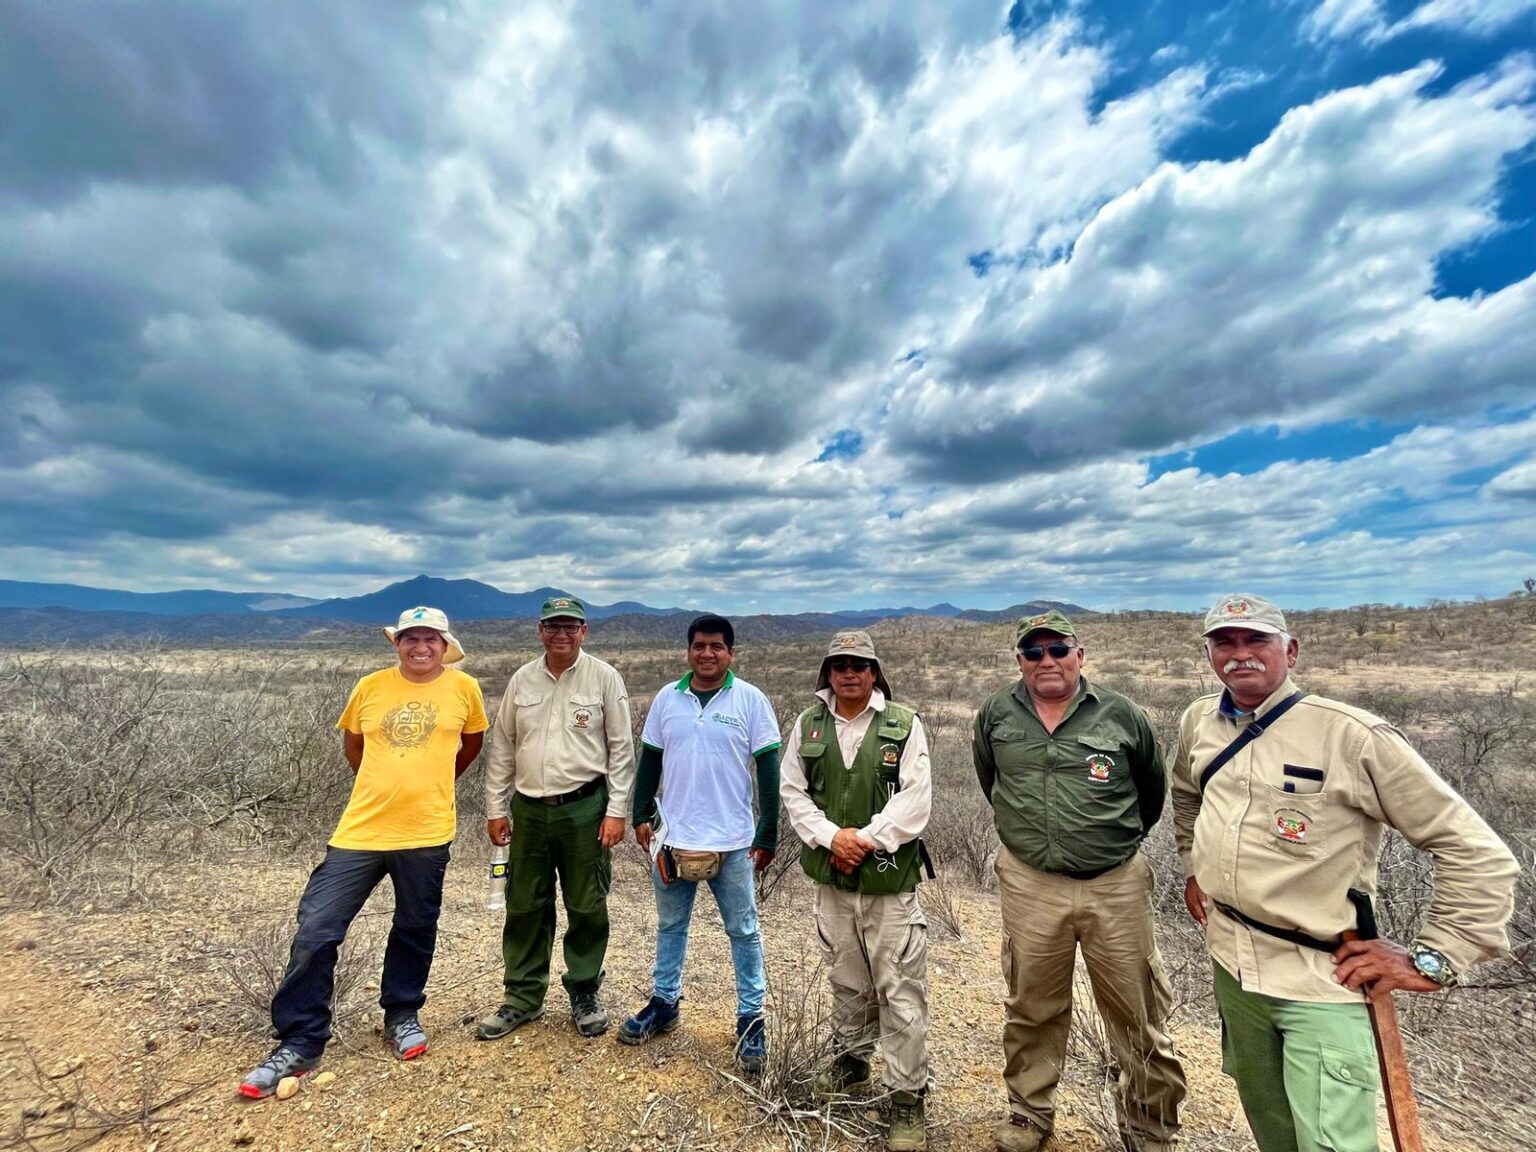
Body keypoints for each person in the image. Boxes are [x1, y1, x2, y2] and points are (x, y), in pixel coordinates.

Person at [1172, 593, 1519, 1152]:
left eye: (1256, 640)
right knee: (1273, 1126)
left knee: (1334, 1141)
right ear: (1210, 653)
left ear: (1291, 650)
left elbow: (1475, 851)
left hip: (1322, 976)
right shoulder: (1199, 720)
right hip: (1231, 959)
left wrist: (1437, 957)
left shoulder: (1353, 736)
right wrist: (1196, 865)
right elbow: (1188, 794)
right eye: (1224, 643)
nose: (1240, 655)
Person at [238, 606, 488, 1098]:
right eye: (410, 638)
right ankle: (302, 1039)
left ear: (445, 645)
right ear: (397, 644)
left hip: (427, 831)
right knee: (317, 928)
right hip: (360, 831)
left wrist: (432, 785)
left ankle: (402, 1014)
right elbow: (355, 746)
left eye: (430, 639)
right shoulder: (370, 687)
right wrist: (382, 787)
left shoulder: (465, 690)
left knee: (415, 926)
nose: (420, 647)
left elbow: (470, 745)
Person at [973, 610, 1186, 1152]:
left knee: (1136, 1012)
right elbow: (989, 781)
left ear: (1080, 655)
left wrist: (1105, 842)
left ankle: (1149, 1128)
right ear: (1019, 660)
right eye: (1033, 652)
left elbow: (1152, 792)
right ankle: (1029, 1114)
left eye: (1058, 649)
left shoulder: (1123, 715)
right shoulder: (996, 714)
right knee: (1032, 1003)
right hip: (1029, 882)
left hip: (1115, 883)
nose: (1047, 660)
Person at [781, 630, 934, 1152]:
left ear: (874, 672)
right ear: (827, 671)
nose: (850, 673)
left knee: (900, 988)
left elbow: (916, 800)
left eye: (860, 664)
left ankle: (907, 1098)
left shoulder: (904, 725)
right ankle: (851, 1062)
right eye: (839, 664)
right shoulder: (808, 724)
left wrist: (864, 840)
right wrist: (831, 838)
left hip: (889, 879)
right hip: (833, 879)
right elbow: (792, 792)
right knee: (846, 978)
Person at [619, 614, 781, 1074]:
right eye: (698, 646)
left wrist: (767, 831)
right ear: (688, 651)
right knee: (671, 927)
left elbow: (768, 769)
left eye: (716, 646)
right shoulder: (668, 700)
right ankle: (664, 1003)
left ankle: (751, 1019)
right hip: (674, 836)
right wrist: (640, 814)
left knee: (744, 931)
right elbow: (649, 761)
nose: (706, 653)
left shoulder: (750, 700)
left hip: (732, 840)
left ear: (731, 653)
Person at [476, 596, 635, 1041]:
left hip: (586, 808)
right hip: (529, 808)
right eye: (553, 627)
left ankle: (584, 990)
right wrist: (496, 807)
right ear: (539, 630)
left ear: (584, 631)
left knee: (586, 903)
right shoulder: (522, 680)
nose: (561, 634)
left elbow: (622, 750)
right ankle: (522, 997)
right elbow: (504, 746)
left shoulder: (604, 678)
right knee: (525, 903)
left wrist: (617, 810)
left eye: (570, 627)